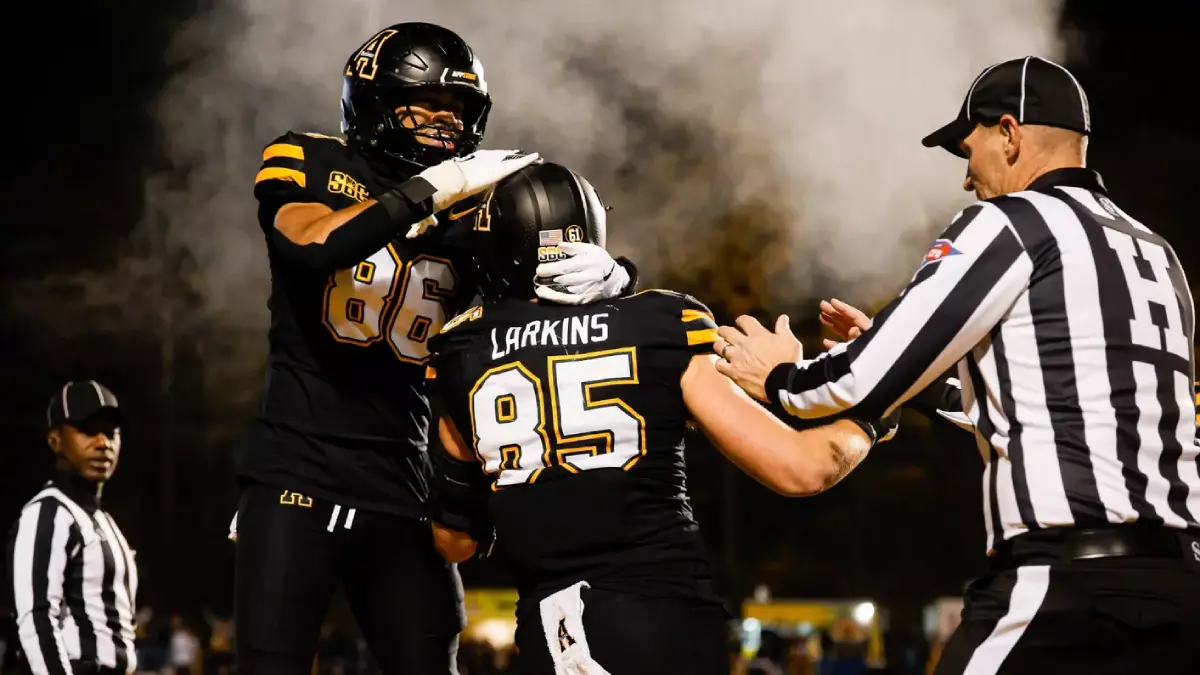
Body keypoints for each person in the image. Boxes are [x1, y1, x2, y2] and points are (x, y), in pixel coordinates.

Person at [714, 56, 1200, 673]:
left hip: (1064, 589)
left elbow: (859, 380)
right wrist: (916, 382)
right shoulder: (1157, 254)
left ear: (1009, 133)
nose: (968, 178)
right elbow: (1058, 413)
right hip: (1180, 587)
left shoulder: (1014, 223)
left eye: (968, 150)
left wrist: (783, 376)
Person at [234, 20, 639, 675]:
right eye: (426, 104)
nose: (443, 122)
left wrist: (612, 273)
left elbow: (558, 272)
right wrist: (427, 192)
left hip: (404, 483)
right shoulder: (312, 159)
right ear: (376, 101)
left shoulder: (475, 203)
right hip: (296, 474)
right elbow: (309, 248)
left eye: (457, 109)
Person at [423, 162, 899, 674]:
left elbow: (455, 541)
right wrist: (874, 412)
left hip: (566, 627)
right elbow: (803, 468)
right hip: (680, 620)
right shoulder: (659, 323)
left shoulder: (462, 349)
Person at [6, 381, 138, 675]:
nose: (103, 442)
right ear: (54, 440)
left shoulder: (102, 520)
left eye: (112, 432)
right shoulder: (49, 512)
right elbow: (36, 619)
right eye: (89, 430)